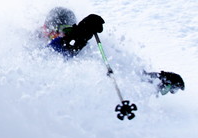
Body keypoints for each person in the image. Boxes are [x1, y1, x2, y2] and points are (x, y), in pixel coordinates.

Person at [41, 7, 185, 94]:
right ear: (45, 29)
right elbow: (48, 57)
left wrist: (155, 80)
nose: (64, 35)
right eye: (61, 30)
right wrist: (75, 37)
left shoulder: (85, 49)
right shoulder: (33, 46)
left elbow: (122, 73)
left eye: (68, 30)